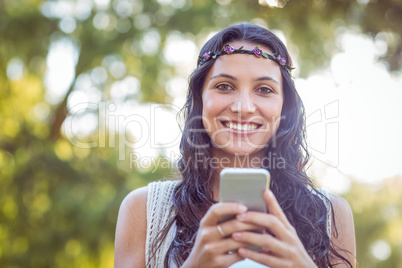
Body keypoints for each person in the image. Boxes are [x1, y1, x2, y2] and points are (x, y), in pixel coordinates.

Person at [114, 23, 356, 268]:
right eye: (224, 86)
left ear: (285, 107)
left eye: (264, 89)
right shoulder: (143, 210)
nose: (243, 107)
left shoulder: (332, 214)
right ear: (199, 99)